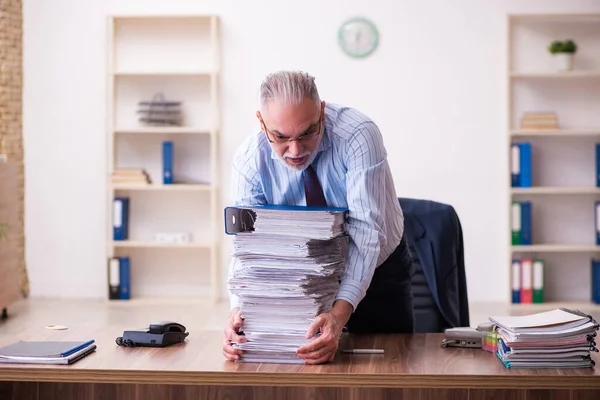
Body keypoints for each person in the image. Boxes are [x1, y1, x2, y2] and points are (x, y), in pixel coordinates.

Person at [222, 70, 415, 365]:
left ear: (322, 111)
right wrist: (239, 313)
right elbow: (249, 250)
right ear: (261, 122)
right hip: (300, 277)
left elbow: (365, 231)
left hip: (376, 270)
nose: (295, 151)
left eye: (307, 133)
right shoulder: (249, 160)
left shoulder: (358, 135)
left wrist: (338, 315)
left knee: (389, 368)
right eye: (281, 137)